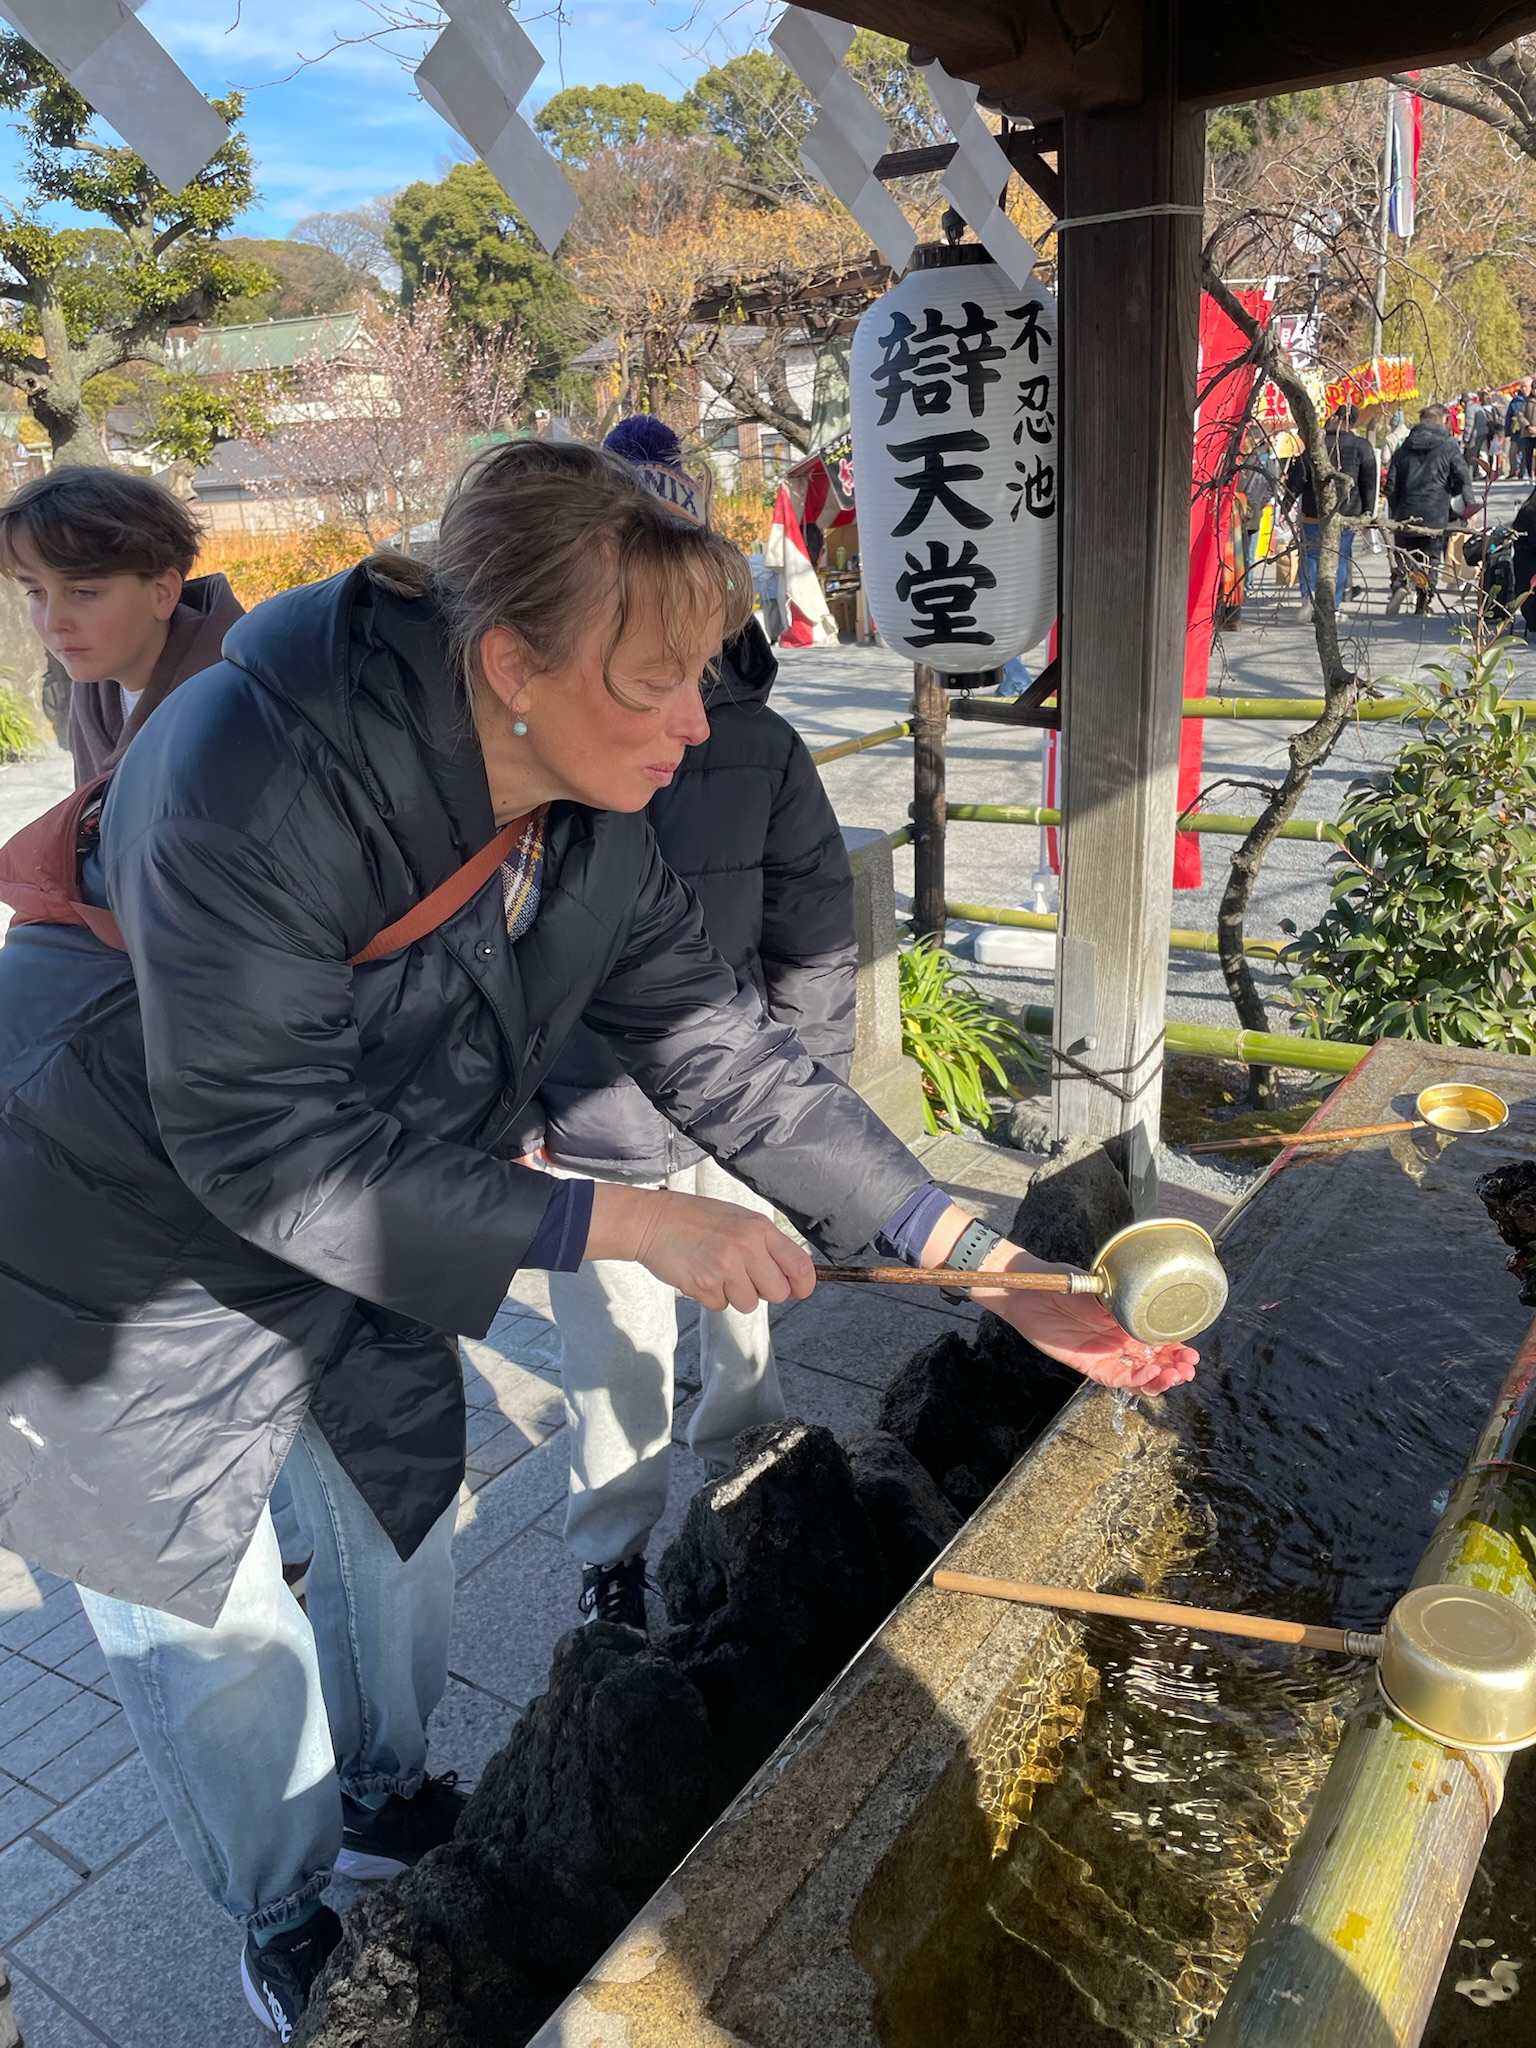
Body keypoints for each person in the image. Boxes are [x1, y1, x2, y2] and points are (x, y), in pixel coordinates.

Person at [0, 438, 1197, 2037]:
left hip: (372, 1185)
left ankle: (378, 1796)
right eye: (656, 684)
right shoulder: (253, 762)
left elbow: (724, 1052)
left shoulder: (583, 811)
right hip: (110, 1230)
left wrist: (985, 1265)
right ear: (511, 664)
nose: (697, 725)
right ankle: (280, 1912)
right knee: (215, 1617)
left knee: (395, 1533)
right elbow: (259, 1140)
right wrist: (619, 1219)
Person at [524, 417, 852, 1629]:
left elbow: (813, 942)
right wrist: (514, 1120)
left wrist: (808, 1113)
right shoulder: (539, 749)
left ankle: (743, 1489)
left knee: (744, 1321)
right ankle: (612, 1553)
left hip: (735, 1099)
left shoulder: (758, 742)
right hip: (588, 1114)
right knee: (613, 1355)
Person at [2, 466, 243, 786]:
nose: (53, 622)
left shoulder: (239, 702)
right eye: (36, 592)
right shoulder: (92, 694)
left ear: (162, 592)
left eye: (84, 592)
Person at [1284, 405, 1376, 616]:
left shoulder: (1317, 445)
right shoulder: (1362, 447)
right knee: (1339, 556)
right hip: (1347, 512)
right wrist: (1368, 512)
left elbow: (1298, 477)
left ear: (1335, 418)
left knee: (1310, 554)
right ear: (1355, 422)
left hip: (1312, 510)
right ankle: (1333, 604)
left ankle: (1309, 595)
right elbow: (1369, 482)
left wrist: (1286, 504)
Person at [1385, 404, 1473, 616]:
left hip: (1405, 512)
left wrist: (1394, 512)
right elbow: (1463, 478)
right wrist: (1467, 504)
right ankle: (1422, 602)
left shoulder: (1404, 448)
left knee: (1405, 554)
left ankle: (1401, 583)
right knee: (1430, 559)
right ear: (1443, 420)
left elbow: (1391, 485)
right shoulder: (1448, 447)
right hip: (1435, 512)